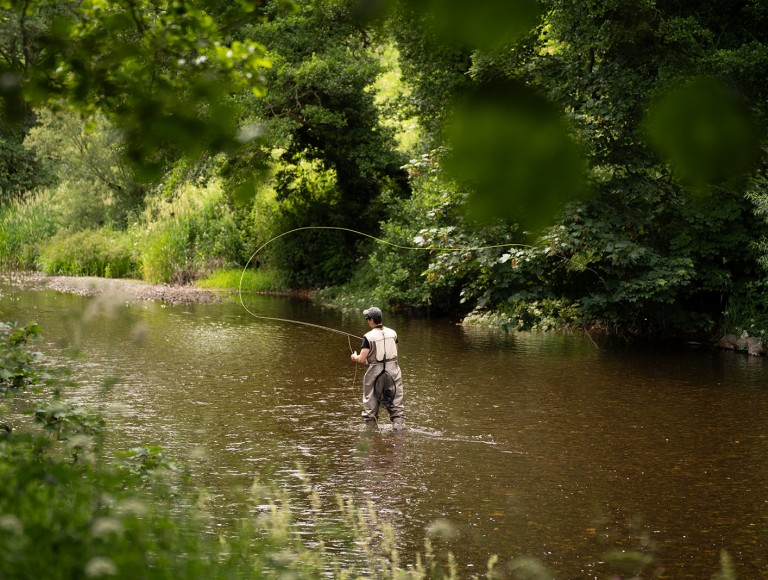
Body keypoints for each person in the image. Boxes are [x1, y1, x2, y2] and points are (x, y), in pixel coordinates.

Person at [350, 306, 406, 431]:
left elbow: (361, 359)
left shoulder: (368, 337)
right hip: (393, 370)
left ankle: (371, 434)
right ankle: (399, 431)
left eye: (367, 318)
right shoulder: (393, 333)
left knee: (371, 404)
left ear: (371, 320)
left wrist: (354, 356)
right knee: (396, 402)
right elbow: (395, 350)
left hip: (375, 372)